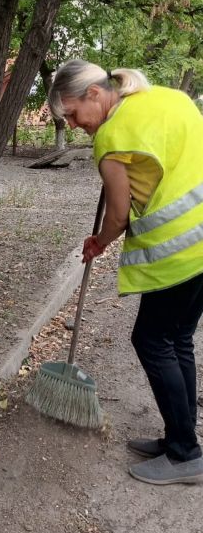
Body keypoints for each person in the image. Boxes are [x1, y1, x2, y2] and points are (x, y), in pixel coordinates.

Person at [48, 59, 203, 485]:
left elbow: (117, 214)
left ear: (95, 94)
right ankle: (180, 437)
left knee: (152, 341)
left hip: (180, 252)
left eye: (75, 114)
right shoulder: (169, 98)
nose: (77, 125)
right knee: (178, 339)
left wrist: (98, 240)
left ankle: (186, 454)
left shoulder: (113, 136)